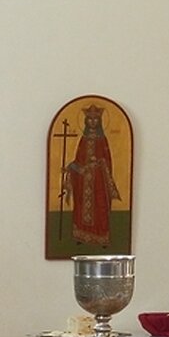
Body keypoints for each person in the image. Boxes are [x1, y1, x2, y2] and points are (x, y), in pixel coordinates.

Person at [61, 104, 121, 246]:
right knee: (82, 205)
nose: (93, 122)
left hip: (99, 179)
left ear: (99, 121)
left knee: (99, 205)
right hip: (83, 179)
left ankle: (101, 237)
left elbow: (107, 160)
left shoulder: (102, 140)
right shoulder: (83, 139)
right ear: (86, 121)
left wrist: (98, 163)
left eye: (95, 119)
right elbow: (78, 159)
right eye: (90, 119)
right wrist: (73, 167)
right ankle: (82, 236)